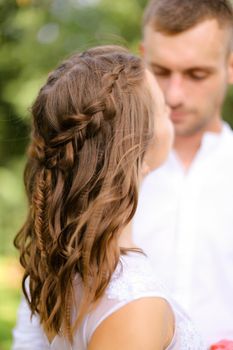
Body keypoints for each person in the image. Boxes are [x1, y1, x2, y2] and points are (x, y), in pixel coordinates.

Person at [12, 45, 204, 349]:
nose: (171, 107)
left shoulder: (66, 269)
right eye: (161, 107)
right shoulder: (134, 307)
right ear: (134, 153)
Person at [133, 0, 233, 347]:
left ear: (231, 65)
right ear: (142, 58)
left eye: (196, 75)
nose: (173, 95)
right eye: (160, 71)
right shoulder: (105, 173)